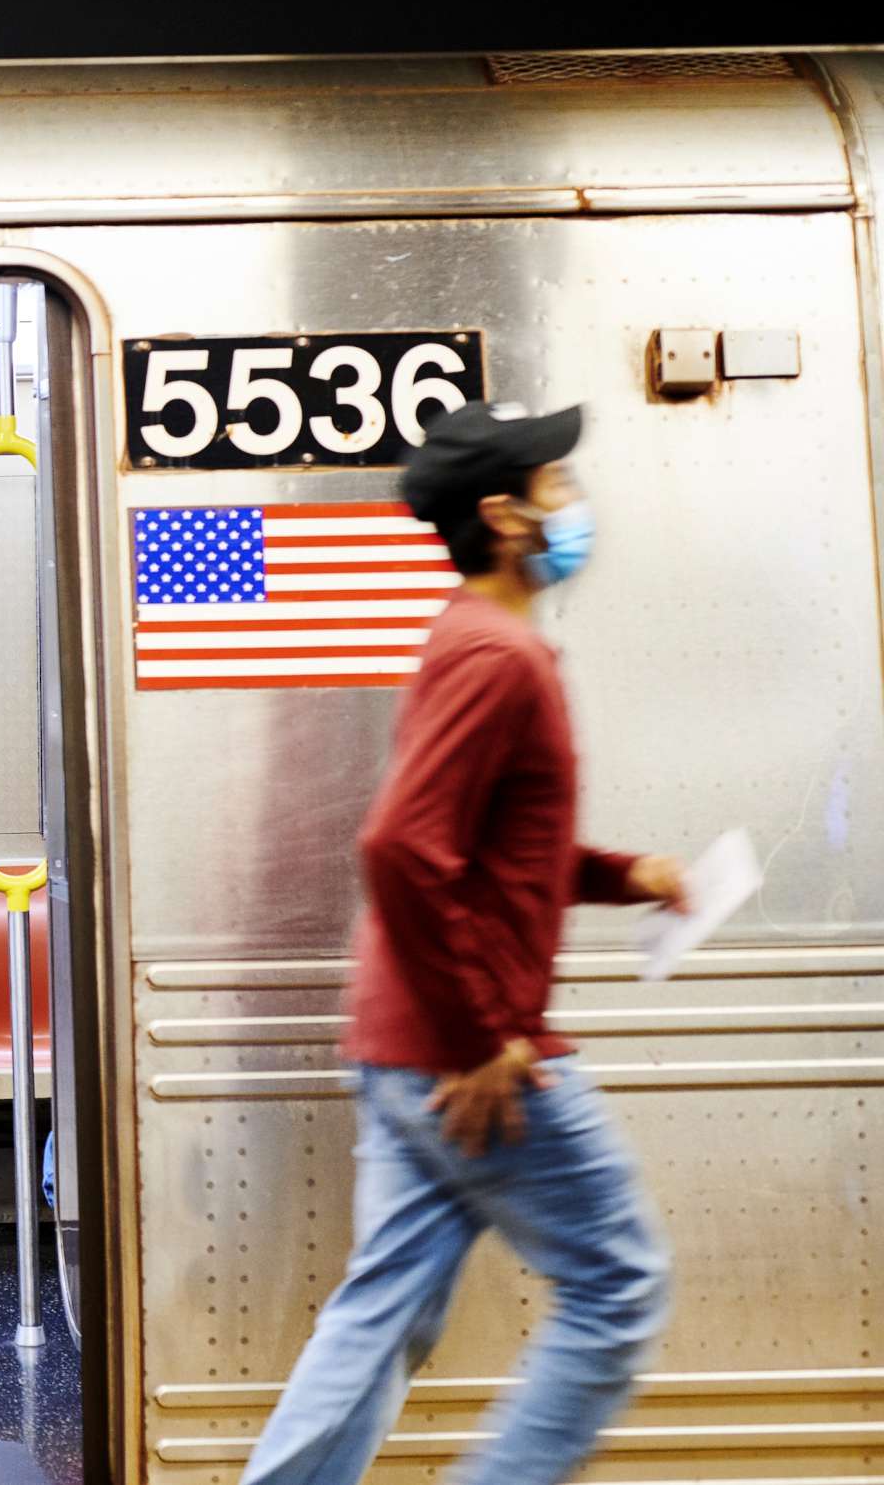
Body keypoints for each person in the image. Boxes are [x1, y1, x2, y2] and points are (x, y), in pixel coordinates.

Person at [239, 402, 682, 1485]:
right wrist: (488, 1035)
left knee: (384, 1311)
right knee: (619, 1288)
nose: (573, 505)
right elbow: (400, 844)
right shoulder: (500, 656)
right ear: (505, 514)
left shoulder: (477, 640)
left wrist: (625, 877)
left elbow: (489, 849)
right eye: (556, 486)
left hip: (401, 1044)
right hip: (461, 1055)